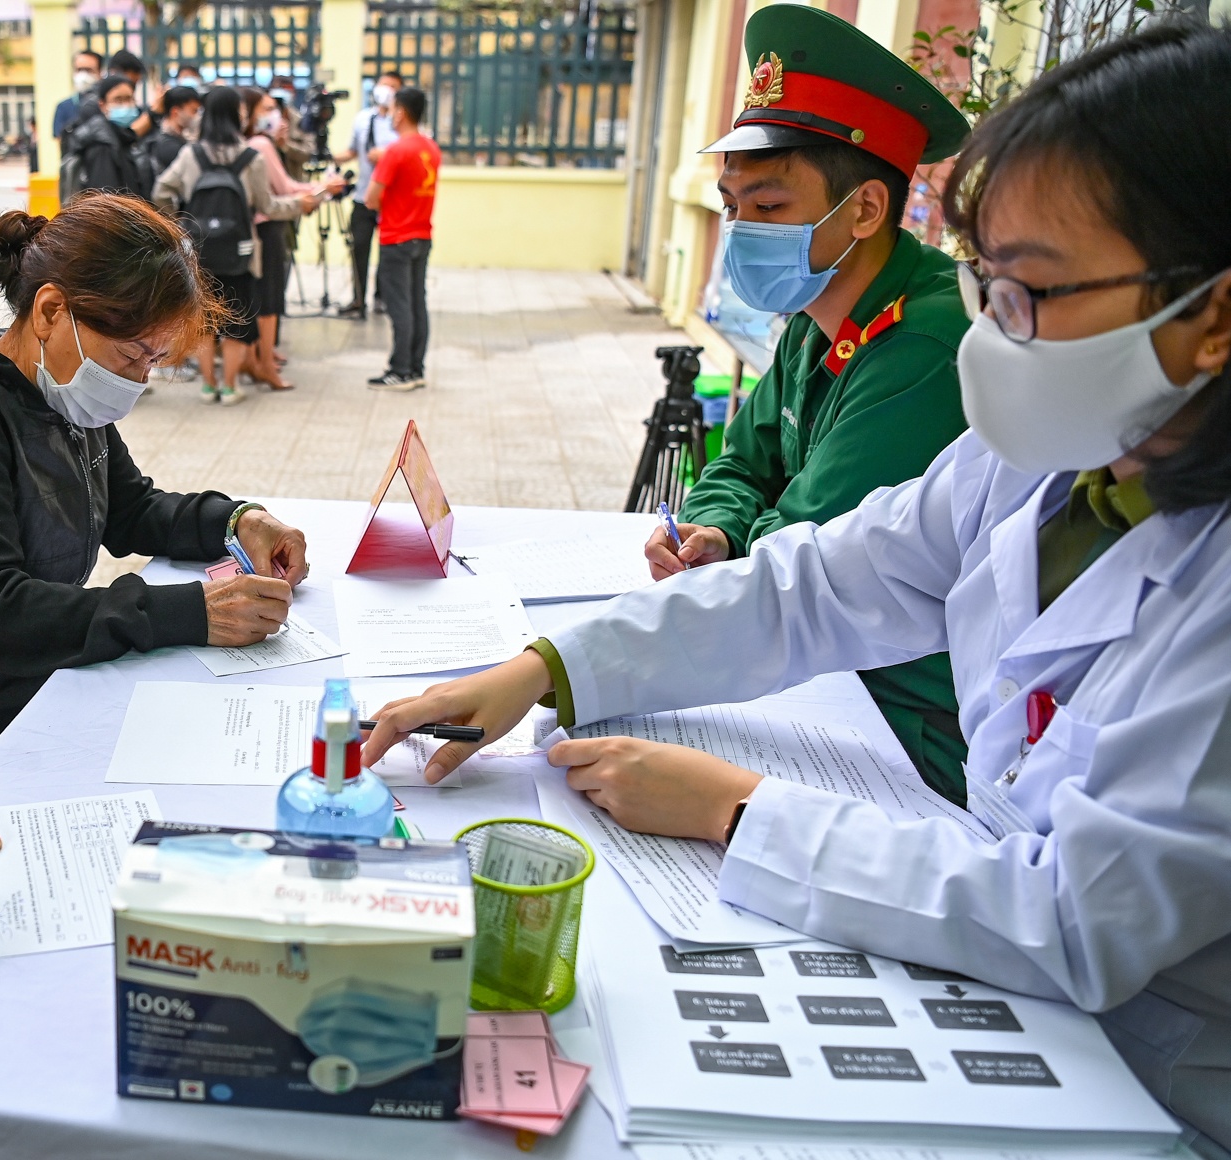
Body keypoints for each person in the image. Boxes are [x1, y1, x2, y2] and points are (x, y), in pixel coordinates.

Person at [366, 21, 1231, 1154]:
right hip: (1018, 1008)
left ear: (1210, 314)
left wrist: (736, 807)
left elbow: (1074, 916)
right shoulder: (1047, 461)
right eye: (986, 282)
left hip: (1159, 1084)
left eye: (1034, 291)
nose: (992, 333)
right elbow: (812, 583)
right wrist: (550, 669)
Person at [0, 197, 311, 787]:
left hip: (7, 680)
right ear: (51, 311)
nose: (138, 380)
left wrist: (236, 522)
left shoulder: (62, 391)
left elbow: (129, 508)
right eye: (132, 356)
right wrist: (192, 612)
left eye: (154, 362)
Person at [640, 5, 974, 803]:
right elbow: (741, 461)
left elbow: (805, 551)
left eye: (770, 207)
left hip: (900, 719)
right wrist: (715, 526)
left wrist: (742, 541)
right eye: (731, 206)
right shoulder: (816, 314)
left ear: (864, 210)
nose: (740, 229)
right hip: (812, 667)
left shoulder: (928, 343)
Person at [153, 86, 323, 405]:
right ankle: (230, 387)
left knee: (204, 320)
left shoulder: (191, 155)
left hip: (199, 251)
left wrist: (178, 223)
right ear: (237, 116)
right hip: (241, 252)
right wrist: (300, 205)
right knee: (236, 319)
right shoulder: (251, 158)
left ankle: (208, 386)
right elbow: (268, 206)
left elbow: (161, 188)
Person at [242, 87, 342, 391]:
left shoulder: (249, 143)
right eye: (267, 108)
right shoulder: (260, 143)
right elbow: (284, 188)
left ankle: (257, 360)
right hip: (269, 228)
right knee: (269, 302)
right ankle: (266, 366)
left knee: (256, 299)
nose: (276, 115)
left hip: (252, 230)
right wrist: (322, 188)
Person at [365, 86, 438, 391]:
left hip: (396, 237)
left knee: (399, 306)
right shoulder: (431, 148)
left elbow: (370, 198)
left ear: (401, 112)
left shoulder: (395, 151)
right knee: (417, 302)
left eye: (392, 108)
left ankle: (401, 370)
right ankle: (416, 367)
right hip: (422, 234)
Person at [335, 71, 401, 319]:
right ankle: (358, 298)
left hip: (389, 201)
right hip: (363, 197)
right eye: (384, 85)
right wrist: (329, 156)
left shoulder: (399, 124)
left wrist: (386, 155)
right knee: (358, 248)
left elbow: (404, 154)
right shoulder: (363, 119)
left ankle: (382, 297)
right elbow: (352, 151)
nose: (386, 91)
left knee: (387, 252)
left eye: (393, 87)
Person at [62, 76, 148, 201]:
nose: (125, 105)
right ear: (102, 105)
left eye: (129, 99)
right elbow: (105, 200)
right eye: (118, 100)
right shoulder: (102, 144)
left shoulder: (122, 137)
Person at [147, 85, 201, 176]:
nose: (197, 117)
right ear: (175, 112)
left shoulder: (178, 138)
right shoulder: (167, 145)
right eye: (194, 111)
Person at [53, 50, 102, 143]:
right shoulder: (64, 107)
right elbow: (61, 141)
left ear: (99, 72)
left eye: (88, 70)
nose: (83, 75)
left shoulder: (104, 104)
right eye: (79, 70)